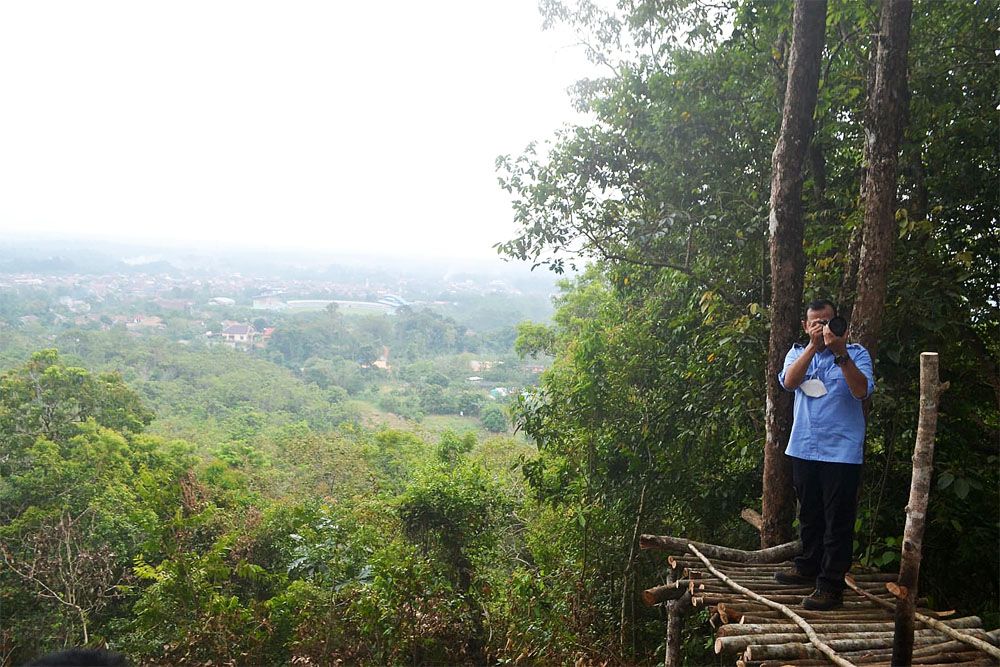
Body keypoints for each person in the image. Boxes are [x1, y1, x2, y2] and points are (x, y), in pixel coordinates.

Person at [774, 298, 874, 611]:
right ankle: (808, 566)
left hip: (842, 452)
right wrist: (813, 348)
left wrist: (839, 353)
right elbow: (789, 382)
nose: (821, 327)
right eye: (815, 323)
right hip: (804, 447)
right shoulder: (797, 353)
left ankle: (830, 585)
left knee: (838, 521)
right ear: (805, 326)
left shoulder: (856, 354)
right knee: (810, 514)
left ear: (838, 324)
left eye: (827, 321)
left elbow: (861, 391)